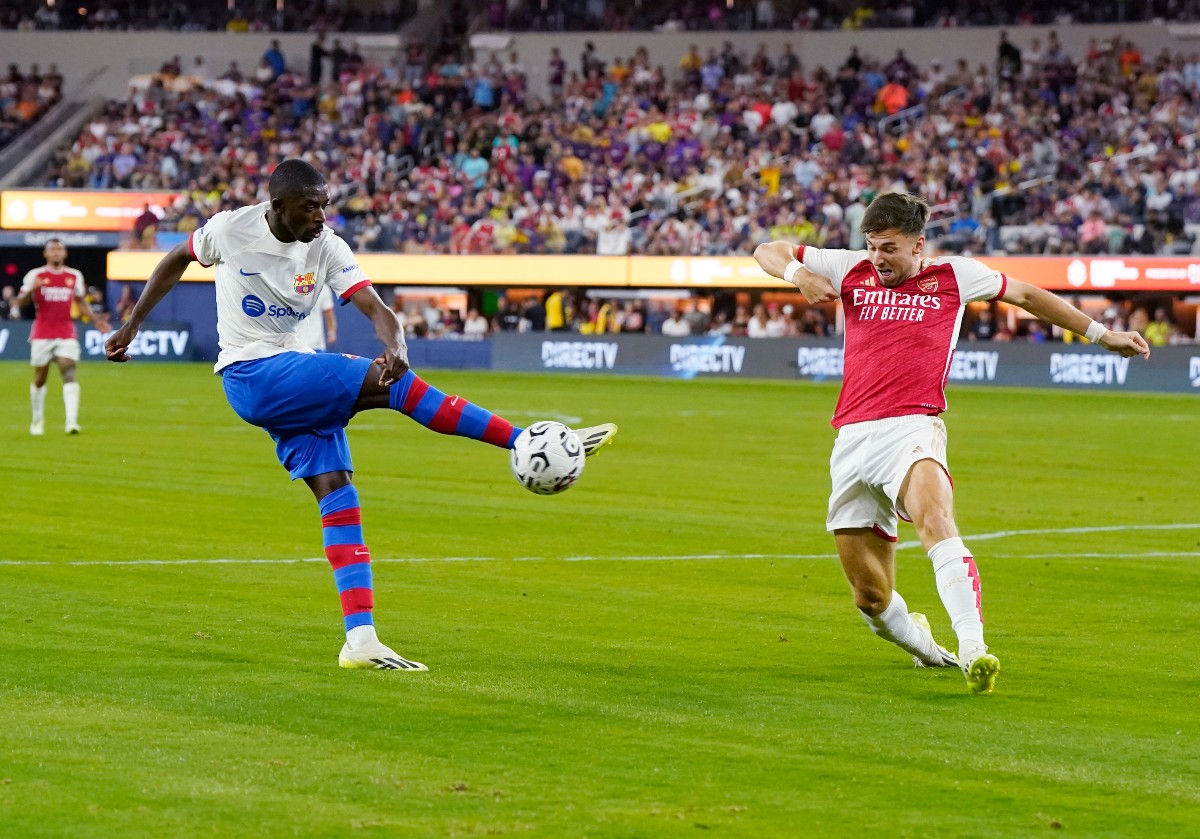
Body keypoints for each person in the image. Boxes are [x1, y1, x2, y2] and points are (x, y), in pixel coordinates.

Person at [105, 160, 618, 672]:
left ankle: (361, 639)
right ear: (277, 206)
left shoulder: (327, 245)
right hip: (253, 373)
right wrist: (130, 326)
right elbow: (174, 259)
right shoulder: (229, 229)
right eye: (310, 207)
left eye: (325, 205)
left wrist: (396, 340)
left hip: (289, 377)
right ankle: (525, 440)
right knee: (398, 388)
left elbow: (375, 306)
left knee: (339, 496)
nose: (321, 216)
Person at [753, 192, 1149, 694]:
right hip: (851, 439)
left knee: (935, 519)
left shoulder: (955, 276)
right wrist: (798, 274)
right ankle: (926, 646)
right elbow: (767, 249)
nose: (878, 258)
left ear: (919, 246)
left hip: (913, 428)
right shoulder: (849, 267)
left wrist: (1099, 333)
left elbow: (1026, 295)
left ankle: (973, 648)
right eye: (873, 246)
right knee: (871, 598)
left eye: (890, 248)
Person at [17, 238, 110, 436]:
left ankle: (71, 422)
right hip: (42, 332)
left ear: (65, 253)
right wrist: (32, 289)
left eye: (60, 249)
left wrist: (95, 320)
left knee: (68, 370)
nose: (56, 252)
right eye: (52, 249)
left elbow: (81, 302)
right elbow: (18, 303)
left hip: (66, 331)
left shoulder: (74, 276)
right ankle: (37, 420)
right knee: (40, 378)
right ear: (46, 254)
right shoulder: (35, 275)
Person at [294, 284, 337, 351]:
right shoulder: (291, 287)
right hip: (296, 344)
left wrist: (331, 331)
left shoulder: (323, 288)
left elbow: (329, 313)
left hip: (316, 344)